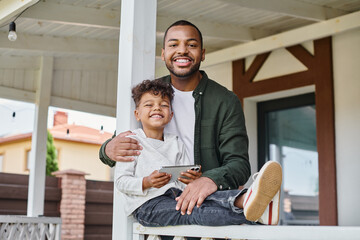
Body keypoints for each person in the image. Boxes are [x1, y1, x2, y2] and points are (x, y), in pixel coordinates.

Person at [99, 20, 282, 226]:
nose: (182, 51)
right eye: (174, 45)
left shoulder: (225, 100)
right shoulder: (149, 95)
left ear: (202, 53)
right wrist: (107, 149)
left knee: (206, 205)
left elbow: (239, 165)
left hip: (203, 207)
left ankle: (252, 202)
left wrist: (209, 179)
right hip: (157, 208)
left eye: (191, 45)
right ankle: (252, 208)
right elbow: (119, 148)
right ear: (163, 53)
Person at [116, 79, 282, 228]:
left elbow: (182, 182)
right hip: (147, 206)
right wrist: (146, 182)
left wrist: (191, 178)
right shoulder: (131, 141)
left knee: (207, 197)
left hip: (176, 196)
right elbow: (121, 181)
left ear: (171, 115)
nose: (157, 107)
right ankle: (254, 215)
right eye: (149, 105)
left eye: (164, 105)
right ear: (137, 114)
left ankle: (248, 199)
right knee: (192, 212)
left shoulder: (175, 142)